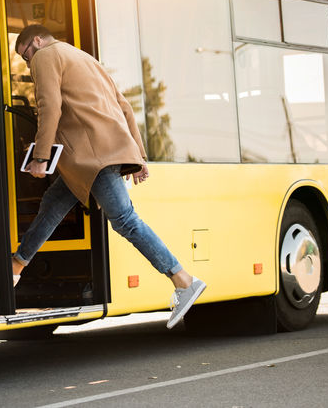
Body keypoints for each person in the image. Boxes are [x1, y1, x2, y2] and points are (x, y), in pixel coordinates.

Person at [11, 24, 205, 329]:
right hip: (94, 158)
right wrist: (138, 156)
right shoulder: (86, 59)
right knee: (53, 202)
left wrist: (40, 156)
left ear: (37, 41)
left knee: (125, 220)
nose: (28, 64)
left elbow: (50, 106)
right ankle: (17, 264)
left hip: (92, 159)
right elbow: (124, 106)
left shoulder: (47, 55)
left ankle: (183, 280)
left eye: (26, 55)